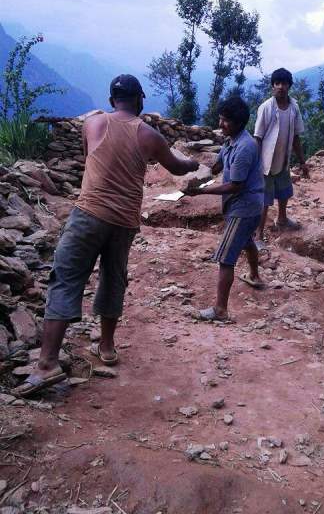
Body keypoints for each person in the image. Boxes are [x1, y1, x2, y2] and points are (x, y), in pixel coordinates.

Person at [15, 75, 200, 398]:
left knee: (66, 278)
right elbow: (177, 167)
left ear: (113, 100)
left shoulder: (94, 123)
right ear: (140, 99)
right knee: (114, 278)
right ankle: (107, 346)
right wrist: (193, 163)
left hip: (88, 214)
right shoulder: (150, 135)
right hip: (124, 221)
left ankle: (47, 364)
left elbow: (91, 157)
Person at [184, 97, 264, 321]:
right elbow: (217, 166)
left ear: (239, 122)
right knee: (246, 241)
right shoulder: (231, 141)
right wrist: (195, 173)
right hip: (245, 205)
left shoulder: (245, 148)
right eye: (220, 118)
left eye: (225, 120)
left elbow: (235, 185)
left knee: (226, 258)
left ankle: (220, 310)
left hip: (244, 207)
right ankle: (255, 276)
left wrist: (201, 192)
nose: (220, 124)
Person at [254, 68, 308, 245]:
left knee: (284, 192)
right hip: (266, 162)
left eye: (284, 83)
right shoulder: (266, 108)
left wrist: (302, 161)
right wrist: (256, 163)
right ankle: (258, 235)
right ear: (272, 86)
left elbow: (296, 136)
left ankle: (282, 219)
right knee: (264, 200)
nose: (280, 87)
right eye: (277, 83)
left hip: (283, 159)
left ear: (289, 86)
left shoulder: (294, 107)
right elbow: (258, 137)